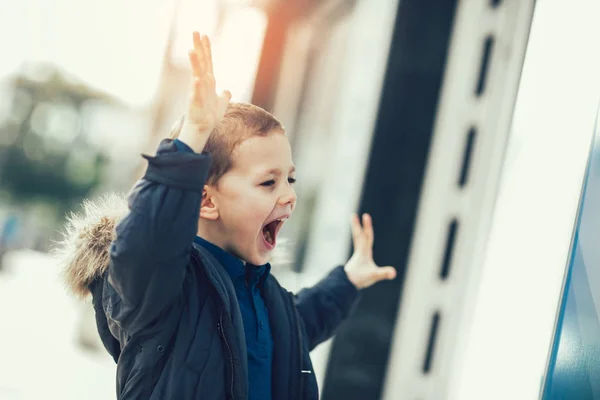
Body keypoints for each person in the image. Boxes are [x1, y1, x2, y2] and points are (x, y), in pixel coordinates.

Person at [58, 32, 396, 400]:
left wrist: (347, 281)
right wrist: (192, 138)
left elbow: (299, 324)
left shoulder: (263, 293)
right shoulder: (160, 288)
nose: (289, 195)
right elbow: (146, 239)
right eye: (268, 182)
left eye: (291, 178)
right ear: (205, 200)